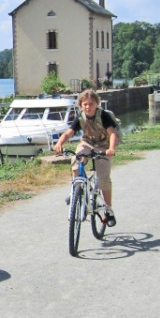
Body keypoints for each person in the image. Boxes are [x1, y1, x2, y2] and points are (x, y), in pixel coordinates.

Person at [53, 88, 119, 227]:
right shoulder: (80, 117)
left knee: (103, 179)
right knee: (76, 159)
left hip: (103, 146)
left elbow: (112, 133)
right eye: (85, 104)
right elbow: (68, 133)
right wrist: (59, 143)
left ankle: (108, 210)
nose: (88, 107)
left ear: (96, 104)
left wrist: (111, 149)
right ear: (81, 106)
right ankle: (77, 189)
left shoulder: (103, 116)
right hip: (87, 143)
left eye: (91, 104)